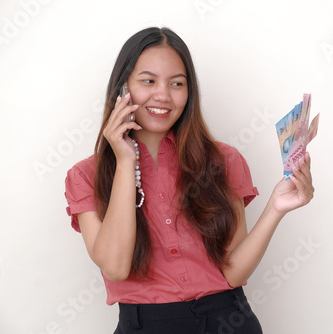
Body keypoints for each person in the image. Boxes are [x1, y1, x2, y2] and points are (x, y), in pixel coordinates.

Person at [64, 27, 315, 334]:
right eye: (148, 81)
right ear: (122, 89)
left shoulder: (223, 160)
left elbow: (233, 273)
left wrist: (276, 207)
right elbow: (115, 267)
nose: (163, 96)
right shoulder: (84, 175)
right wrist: (125, 160)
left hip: (229, 319)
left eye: (177, 84)